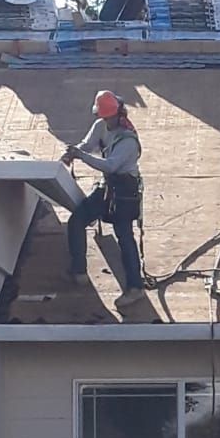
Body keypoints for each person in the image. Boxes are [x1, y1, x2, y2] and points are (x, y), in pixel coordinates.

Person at [61, 89, 145, 305]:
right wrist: (74, 152)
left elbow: (111, 165)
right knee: (77, 220)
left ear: (117, 114)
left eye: (106, 116)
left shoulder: (128, 140)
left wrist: (82, 156)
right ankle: (79, 270)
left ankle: (135, 287)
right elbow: (87, 144)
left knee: (124, 237)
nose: (103, 120)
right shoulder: (101, 126)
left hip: (124, 191)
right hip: (108, 185)